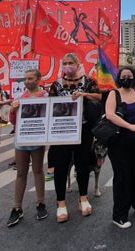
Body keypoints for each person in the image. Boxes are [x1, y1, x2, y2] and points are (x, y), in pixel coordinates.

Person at [48, 53, 102, 222]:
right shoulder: (56, 84)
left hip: (83, 129)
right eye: (65, 63)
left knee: (82, 163)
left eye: (71, 62)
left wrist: (84, 95)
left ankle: (83, 197)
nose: (68, 65)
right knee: (61, 165)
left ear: (78, 64)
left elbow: (100, 96)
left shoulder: (88, 82)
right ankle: (61, 203)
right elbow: (49, 104)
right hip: (62, 130)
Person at [105, 66, 135, 228]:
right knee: (123, 177)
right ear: (119, 78)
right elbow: (110, 115)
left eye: (129, 76)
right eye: (123, 76)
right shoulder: (114, 94)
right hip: (119, 142)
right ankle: (119, 215)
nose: (126, 78)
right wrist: (129, 126)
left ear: (134, 78)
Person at [7, 69, 48, 227]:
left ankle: (41, 203)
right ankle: (17, 207)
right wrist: (12, 110)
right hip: (22, 139)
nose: (27, 81)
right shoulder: (20, 98)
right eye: (25, 79)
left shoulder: (45, 96)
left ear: (38, 79)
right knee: (21, 173)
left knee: (38, 171)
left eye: (30, 78)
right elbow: (13, 121)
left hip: (37, 139)